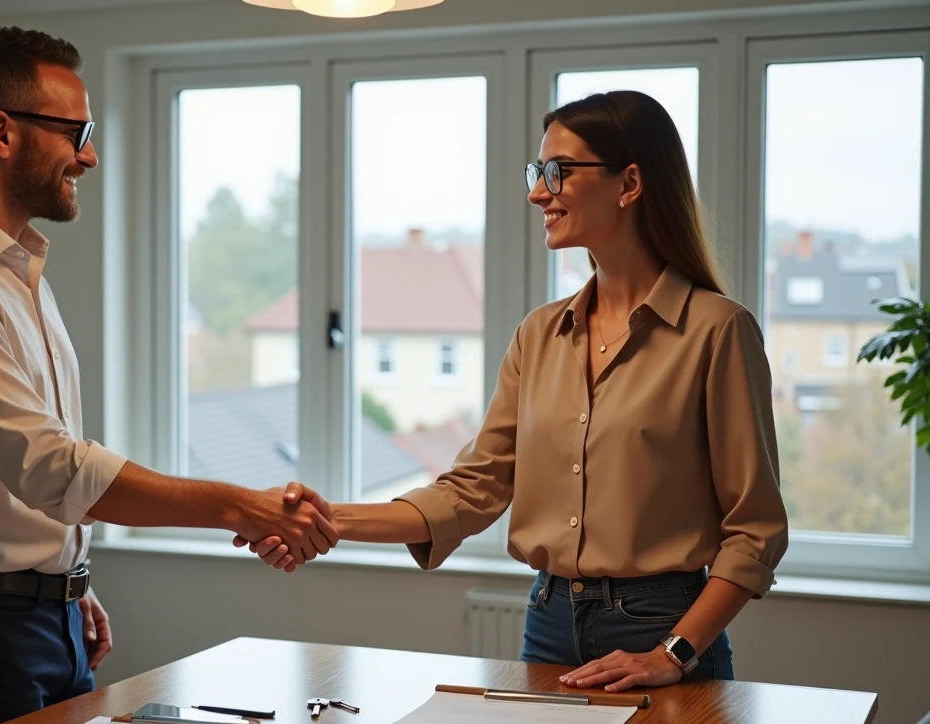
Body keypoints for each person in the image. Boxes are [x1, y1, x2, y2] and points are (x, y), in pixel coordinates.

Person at [0, 26, 335, 724]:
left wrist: (66, 581)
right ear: (2, 133)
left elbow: (30, 474)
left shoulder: (18, 274)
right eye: (75, 131)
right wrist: (238, 504)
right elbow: (50, 466)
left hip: (43, 619)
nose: (90, 153)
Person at [254, 90, 788, 691]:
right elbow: (472, 490)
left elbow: (756, 530)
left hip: (663, 626)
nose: (538, 192)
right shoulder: (539, 334)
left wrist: (673, 653)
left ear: (629, 182)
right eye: (537, 173)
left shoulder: (717, 331)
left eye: (557, 171)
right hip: (548, 621)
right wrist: (327, 520)